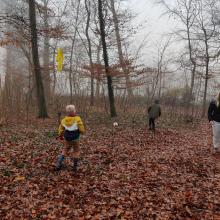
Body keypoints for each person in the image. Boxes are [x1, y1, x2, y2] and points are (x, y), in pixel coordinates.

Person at [55, 105, 85, 173]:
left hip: (67, 138)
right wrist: (82, 132)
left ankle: (58, 164)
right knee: (76, 151)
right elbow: (81, 129)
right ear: (74, 111)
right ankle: (74, 167)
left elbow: (61, 129)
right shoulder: (77, 119)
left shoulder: (64, 120)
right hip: (75, 139)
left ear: (67, 112)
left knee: (65, 150)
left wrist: (60, 135)